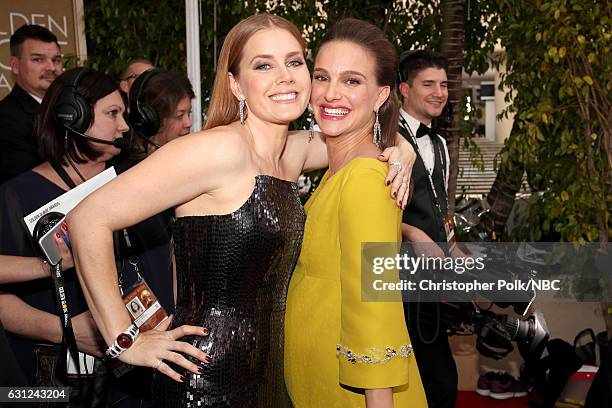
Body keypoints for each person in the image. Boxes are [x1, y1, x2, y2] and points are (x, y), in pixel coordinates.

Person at [68, 13, 414, 407]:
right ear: (236, 84)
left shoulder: (293, 151)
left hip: (272, 383)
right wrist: (123, 340)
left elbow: (357, 129)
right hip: (205, 382)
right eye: (263, 65)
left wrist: (403, 151)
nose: (284, 75)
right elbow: (88, 218)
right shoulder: (218, 150)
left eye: (294, 61)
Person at [284, 19, 427, 408]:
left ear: (380, 95)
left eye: (352, 81)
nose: (331, 93)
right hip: (323, 382)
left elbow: (374, 310)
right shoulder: (339, 167)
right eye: (322, 77)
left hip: (356, 395)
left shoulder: (365, 178)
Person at [0, 67, 128, 383]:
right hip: (57, 378)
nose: (124, 126)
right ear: (72, 117)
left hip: (130, 373)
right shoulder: (17, 194)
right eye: (112, 113)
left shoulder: (130, 185)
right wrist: (66, 330)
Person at [397, 49, 456, 408]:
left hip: (431, 280)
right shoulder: (384, 138)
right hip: (397, 281)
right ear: (404, 89)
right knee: (434, 380)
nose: (439, 92)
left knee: (438, 381)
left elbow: (440, 209)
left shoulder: (441, 144)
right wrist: (411, 233)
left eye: (444, 85)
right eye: (429, 84)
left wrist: (454, 247)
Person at [0, 24, 62, 184]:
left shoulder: (69, 109)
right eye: (38, 59)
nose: (51, 67)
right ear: (15, 65)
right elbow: (27, 185)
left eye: (56, 60)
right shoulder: (5, 119)